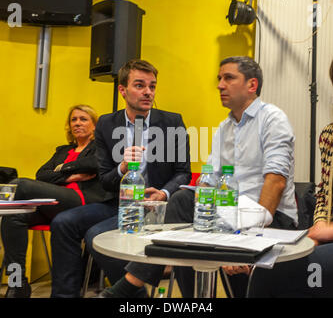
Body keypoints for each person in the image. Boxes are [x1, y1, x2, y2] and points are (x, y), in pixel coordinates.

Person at [88, 56, 299, 298]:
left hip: (267, 218)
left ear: (252, 85)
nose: (220, 85)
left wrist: (248, 238)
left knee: (187, 218)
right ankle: (191, 299)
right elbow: (208, 178)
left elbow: (276, 180)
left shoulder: (272, 118)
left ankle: (126, 287)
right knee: (181, 201)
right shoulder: (225, 127)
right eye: (219, 78)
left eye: (228, 78)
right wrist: (202, 202)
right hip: (230, 213)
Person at [49, 59, 191, 298]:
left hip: (154, 207)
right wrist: (121, 169)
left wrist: (163, 193)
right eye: (140, 85)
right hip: (118, 202)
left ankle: (131, 296)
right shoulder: (106, 123)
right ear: (123, 90)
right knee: (63, 223)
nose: (148, 92)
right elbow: (105, 178)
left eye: (152, 86)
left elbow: (182, 172)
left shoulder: (171, 122)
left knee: (96, 235)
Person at [1, 104, 108, 298]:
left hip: (82, 203)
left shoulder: (100, 147)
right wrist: (71, 175)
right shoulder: (62, 150)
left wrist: (61, 169)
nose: (77, 123)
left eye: (83, 119)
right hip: (53, 203)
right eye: (73, 120)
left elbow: (93, 165)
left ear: (94, 126)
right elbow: (42, 174)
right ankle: (17, 283)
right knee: (12, 217)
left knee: (20, 185)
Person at [247, 58, 333, 298]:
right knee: (270, 260)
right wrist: (318, 227)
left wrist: (329, 232)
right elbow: (324, 194)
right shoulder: (329, 135)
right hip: (326, 236)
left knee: (277, 270)